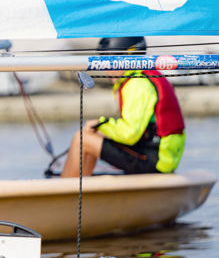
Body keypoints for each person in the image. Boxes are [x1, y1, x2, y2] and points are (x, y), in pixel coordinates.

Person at [61, 37, 185, 177]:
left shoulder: (137, 84)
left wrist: (101, 124)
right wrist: (102, 129)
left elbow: (130, 134)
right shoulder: (141, 76)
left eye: (108, 60)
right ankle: (79, 185)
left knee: (82, 139)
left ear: (126, 58)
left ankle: (62, 193)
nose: (105, 68)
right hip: (157, 154)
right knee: (90, 137)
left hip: (156, 161)